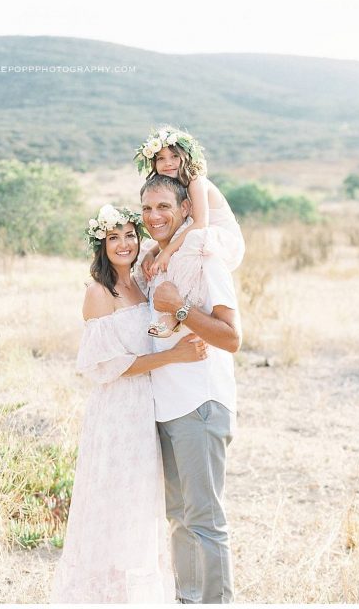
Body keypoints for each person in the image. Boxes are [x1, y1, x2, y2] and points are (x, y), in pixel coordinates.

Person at [51, 204, 209, 603]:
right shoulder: (98, 293)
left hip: (146, 408)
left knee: (141, 505)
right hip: (117, 412)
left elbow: (190, 230)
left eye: (129, 235)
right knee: (114, 503)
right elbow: (109, 367)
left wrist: (165, 250)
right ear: (101, 246)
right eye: (113, 237)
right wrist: (176, 356)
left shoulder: (142, 282)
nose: (123, 244)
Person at [139, 175, 242, 603]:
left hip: (200, 404)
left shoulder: (205, 258)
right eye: (146, 208)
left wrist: (178, 306)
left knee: (204, 519)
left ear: (186, 209)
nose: (154, 216)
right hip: (166, 408)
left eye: (164, 206)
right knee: (178, 517)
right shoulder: (156, 262)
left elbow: (231, 337)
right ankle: (188, 599)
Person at [132, 126, 245, 337]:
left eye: (174, 156)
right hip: (197, 235)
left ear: (187, 157)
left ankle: (174, 314)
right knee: (149, 250)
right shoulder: (174, 187)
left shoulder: (196, 180)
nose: (168, 163)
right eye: (161, 158)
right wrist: (154, 252)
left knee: (186, 244)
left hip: (222, 239)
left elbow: (200, 223)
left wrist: (166, 253)